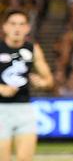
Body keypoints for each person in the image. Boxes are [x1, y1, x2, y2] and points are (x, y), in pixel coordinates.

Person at [0, 11, 53, 161]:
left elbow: (49, 79)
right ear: (5, 27)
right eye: (13, 24)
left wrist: (43, 83)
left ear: (27, 28)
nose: (17, 28)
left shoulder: (33, 49)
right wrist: (1, 88)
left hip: (24, 109)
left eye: (21, 24)